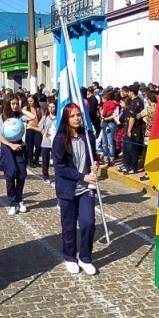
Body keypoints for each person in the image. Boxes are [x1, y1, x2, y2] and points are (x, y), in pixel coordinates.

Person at [52, 103, 99, 275]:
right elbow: (60, 167)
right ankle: (70, 257)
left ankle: (85, 258)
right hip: (68, 189)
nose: (77, 118)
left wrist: (95, 166)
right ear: (66, 118)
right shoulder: (60, 140)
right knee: (69, 225)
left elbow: (93, 158)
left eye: (79, 115)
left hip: (86, 189)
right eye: (73, 116)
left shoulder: (88, 136)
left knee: (88, 223)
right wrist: (82, 176)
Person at [0, 93, 35, 215]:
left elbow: (32, 116)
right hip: (7, 147)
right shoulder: (1, 118)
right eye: (12, 103)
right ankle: (13, 202)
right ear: (7, 104)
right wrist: (11, 145)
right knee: (10, 175)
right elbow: (0, 136)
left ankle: (19, 199)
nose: (14, 105)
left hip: (19, 146)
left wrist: (20, 109)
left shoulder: (19, 116)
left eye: (16, 103)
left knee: (22, 174)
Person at [38, 100, 57, 183]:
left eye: (53, 107)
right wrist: (44, 133)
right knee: (45, 160)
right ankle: (45, 176)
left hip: (56, 141)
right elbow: (40, 127)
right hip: (46, 142)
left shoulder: (59, 118)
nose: (51, 109)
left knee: (56, 160)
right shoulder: (45, 117)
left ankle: (58, 175)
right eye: (49, 107)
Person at [100, 89, 120, 166]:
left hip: (106, 123)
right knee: (110, 141)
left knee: (105, 141)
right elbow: (115, 114)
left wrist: (104, 117)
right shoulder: (116, 104)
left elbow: (103, 113)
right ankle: (111, 158)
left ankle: (106, 158)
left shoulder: (106, 104)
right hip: (111, 123)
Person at [23, 95, 43, 167]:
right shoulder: (26, 108)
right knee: (29, 146)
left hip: (37, 129)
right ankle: (30, 161)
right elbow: (22, 117)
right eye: (28, 101)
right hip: (29, 129)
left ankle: (36, 159)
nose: (30, 103)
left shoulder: (39, 109)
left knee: (38, 145)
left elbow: (42, 118)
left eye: (31, 101)